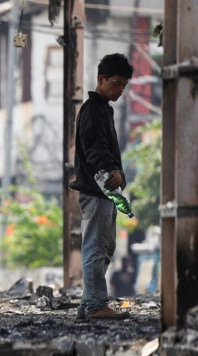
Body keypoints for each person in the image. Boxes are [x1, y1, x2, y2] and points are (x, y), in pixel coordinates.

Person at [70, 53, 134, 320]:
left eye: (123, 86)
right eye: (116, 84)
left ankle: (89, 306)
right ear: (101, 79)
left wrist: (116, 174)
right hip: (97, 191)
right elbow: (94, 147)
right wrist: (112, 170)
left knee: (105, 247)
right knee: (96, 247)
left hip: (104, 192)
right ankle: (96, 305)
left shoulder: (102, 109)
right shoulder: (93, 110)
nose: (119, 90)